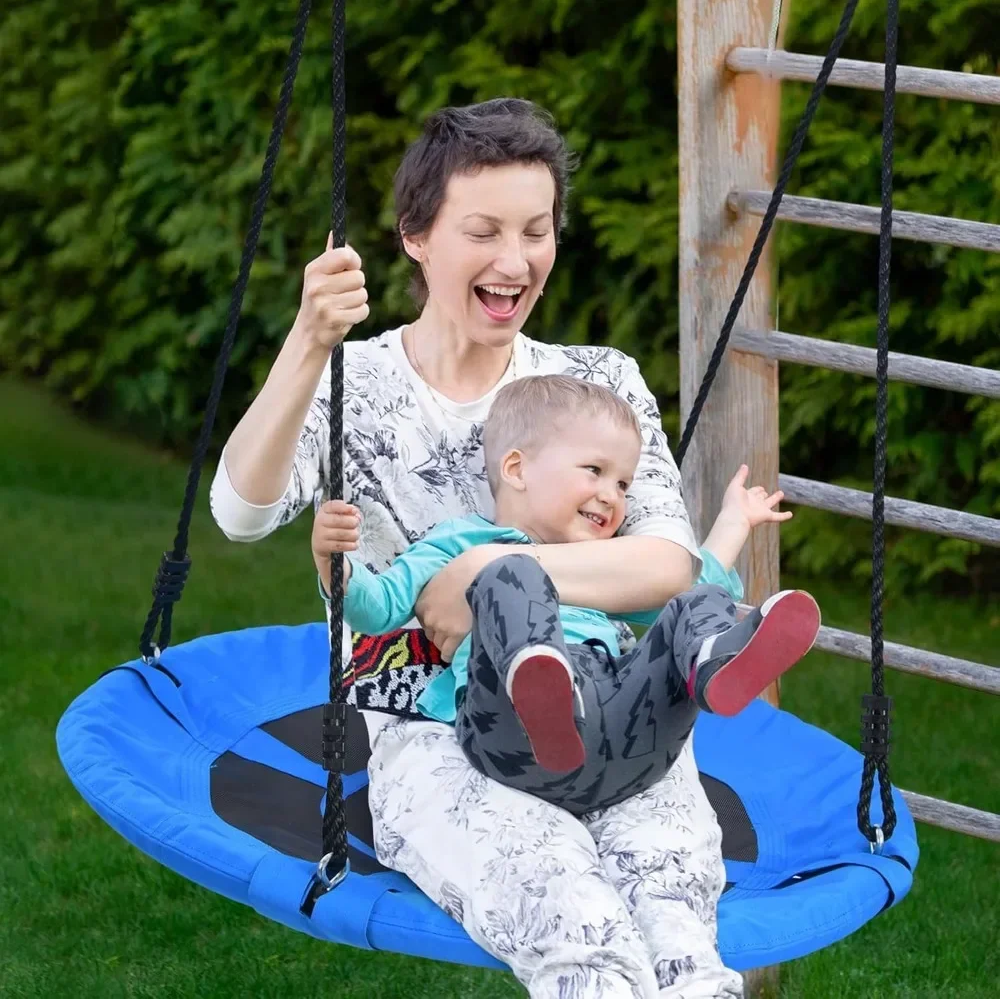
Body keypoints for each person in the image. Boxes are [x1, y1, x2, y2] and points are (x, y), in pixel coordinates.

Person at [211, 96, 751, 998]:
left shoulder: (597, 384)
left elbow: (665, 563)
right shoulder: (356, 386)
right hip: (433, 734)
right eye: (485, 230)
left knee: (680, 934)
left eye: (536, 231)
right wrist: (310, 342)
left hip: (610, 711)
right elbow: (239, 512)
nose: (515, 261)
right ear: (417, 236)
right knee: (578, 930)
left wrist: (485, 574)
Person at [312, 374, 820, 811]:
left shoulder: (606, 565)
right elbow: (376, 608)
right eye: (595, 471)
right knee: (512, 575)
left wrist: (734, 521)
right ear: (517, 470)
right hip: (508, 735)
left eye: (623, 484)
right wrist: (335, 563)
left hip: (628, 740)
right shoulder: (463, 545)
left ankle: (713, 667)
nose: (612, 495)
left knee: (691, 598)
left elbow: (696, 577)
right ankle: (538, 682)